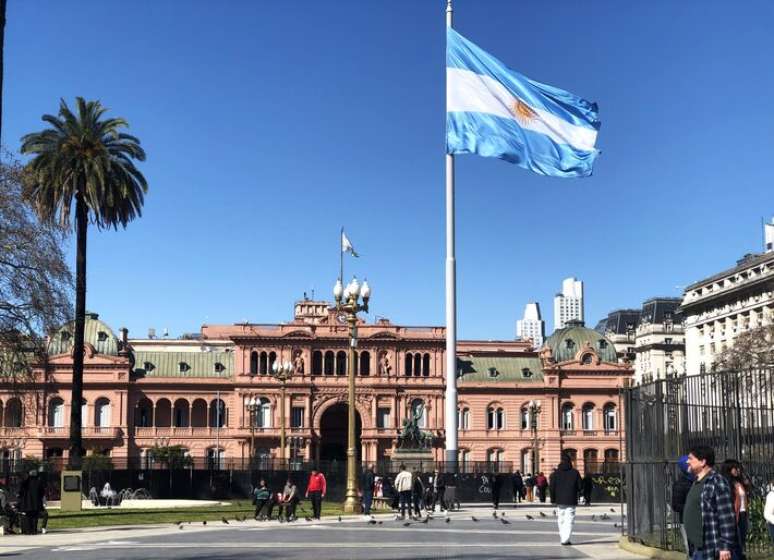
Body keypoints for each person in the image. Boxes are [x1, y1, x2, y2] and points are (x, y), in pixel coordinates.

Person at [683, 445, 735, 560]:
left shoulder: (716, 481)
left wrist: (725, 546)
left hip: (710, 549)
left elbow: (726, 516)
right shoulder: (698, 481)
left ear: (702, 462)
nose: (687, 461)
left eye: (691, 458)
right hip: (697, 549)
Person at [720, 459, 750, 560]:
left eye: (738, 468)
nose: (737, 470)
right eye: (735, 468)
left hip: (743, 514)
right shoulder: (726, 483)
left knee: (741, 539)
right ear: (728, 469)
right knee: (735, 541)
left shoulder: (739, 482)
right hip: (733, 515)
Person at [549, 454, 582, 546]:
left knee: (561, 519)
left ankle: (563, 537)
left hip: (559, 500)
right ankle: (565, 539)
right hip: (571, 499)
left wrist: (552, 499)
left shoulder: (555, 474)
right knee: (569, 520)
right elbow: (580, 486)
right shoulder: (575, 472)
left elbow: (552, 487)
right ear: (570, 461)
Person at [672, 455, 696, 554]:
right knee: (690, 549)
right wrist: (691, 508)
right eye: (688, 464)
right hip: (686, 521)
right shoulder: (680, 484)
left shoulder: (698, 479)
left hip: (700, 520)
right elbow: (676, 505)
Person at [18, 470, 44, 535]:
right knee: (35, 517)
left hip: (27, 503)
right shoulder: (39, 482)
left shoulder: (25, 483)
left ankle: (28, 530)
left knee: (28, 516)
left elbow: (20, 492)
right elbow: (42, 492)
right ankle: (34, 530)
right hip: (36, 503)